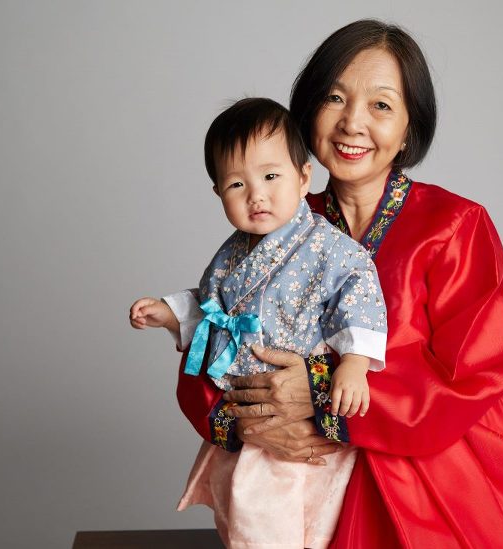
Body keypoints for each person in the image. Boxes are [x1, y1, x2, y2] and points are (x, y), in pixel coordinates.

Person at [160, 19, 503, 549]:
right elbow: (213, 333)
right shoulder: (270, 221)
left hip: (429, 456)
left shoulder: (453, 225)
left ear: (409, 129)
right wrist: (249, 423)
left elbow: (473, 373)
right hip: (293, 468)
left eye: (381, 105)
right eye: (335, 98)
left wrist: (320, 393)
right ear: (308, 113)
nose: (352, 123)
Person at [129, 98, 387, 549]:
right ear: (218, 192)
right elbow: (214, 307)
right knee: (239, 511)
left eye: (271, 177)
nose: (256, 195)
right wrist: (171, 312)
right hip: (244, 406)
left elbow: (359, 298)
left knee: (284, 518)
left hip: (296, 412)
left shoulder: (330, 248)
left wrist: (354, 362)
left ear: (303, 177)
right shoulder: (232, 252)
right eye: (236, 184)